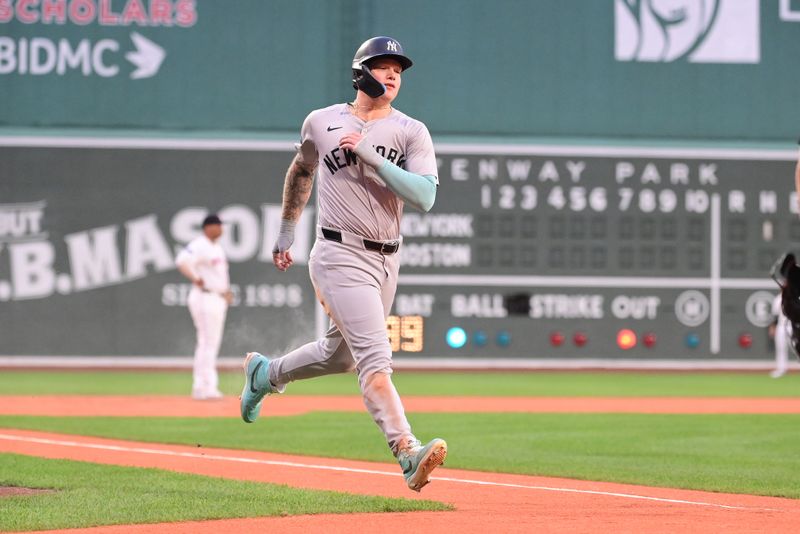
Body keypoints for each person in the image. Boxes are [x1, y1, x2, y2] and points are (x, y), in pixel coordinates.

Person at [239, 36, 446, 492]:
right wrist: (288, 229)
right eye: (383, 65)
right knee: (376, 357)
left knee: (340, 357)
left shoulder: (411, 130)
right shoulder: (322, 121)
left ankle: (265, 373)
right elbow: (302, 169)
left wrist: (370, 155)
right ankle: (407, 451)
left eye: (399, 69)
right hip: (338, 252)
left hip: (388, 257)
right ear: (360, 72)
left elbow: (426, 196)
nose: (393, 74)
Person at [175, 213, 233, 400]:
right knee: (208, 343)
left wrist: (225, 292)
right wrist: (195, 278)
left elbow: (216, 275)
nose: (221, 228)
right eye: (218, 225)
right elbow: (182, 260)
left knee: (208, 343)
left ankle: (201, 386)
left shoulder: (216, 247)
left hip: (216, 297)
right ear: (208, 227)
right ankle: (206, 387)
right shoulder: (200, 244)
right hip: (204, 297)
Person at [768, 293, 790, 378]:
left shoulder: (797, 297)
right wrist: (773, 326)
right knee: (780, 348)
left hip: (794, 325)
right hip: (781, 325)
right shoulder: (778, 299)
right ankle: (781, 369)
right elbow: (775, 315)